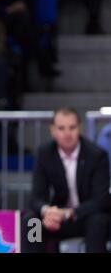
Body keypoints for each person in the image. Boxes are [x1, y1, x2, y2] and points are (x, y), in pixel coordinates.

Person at [21, 107, 110, 253]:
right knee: (32, 221)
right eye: (61, 128)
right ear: (53, 131)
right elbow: (35, 197)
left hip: (85, 216)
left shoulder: (96, 155)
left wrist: (69, 213)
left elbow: (100, 200)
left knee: (98, 221)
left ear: (79, 128)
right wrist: (47, 211)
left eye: (72, 127)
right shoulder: (45, 153)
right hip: (57, 219)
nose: (67, 133)